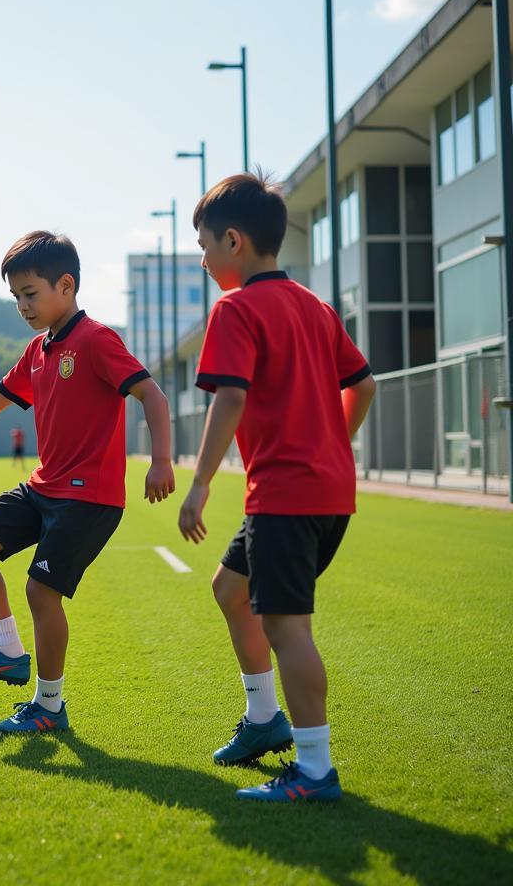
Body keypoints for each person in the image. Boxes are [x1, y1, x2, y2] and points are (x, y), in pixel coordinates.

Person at [0, 231, 174, 733]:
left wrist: (161, 460)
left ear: (65, 285)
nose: (22, 306)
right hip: (43, 487)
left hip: (88, 498)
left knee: (41, 592)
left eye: (30, 294)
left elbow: (151, 395)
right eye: (16, 297)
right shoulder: (37, 349)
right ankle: (7, 651)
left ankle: (49, 706)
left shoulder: (96, 339)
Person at [176, 172, 376, 803]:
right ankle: (265, 722)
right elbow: (364, 386)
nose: (204, 259)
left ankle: (314, 772)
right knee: (231, 589)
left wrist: (200, 483)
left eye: (205, 246)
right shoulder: (315, 307)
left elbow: (230, 396)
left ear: (234, 241)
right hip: (327, 492)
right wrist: (333, 449)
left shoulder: (235, 309)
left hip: (286, 497)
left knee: (289, 629)